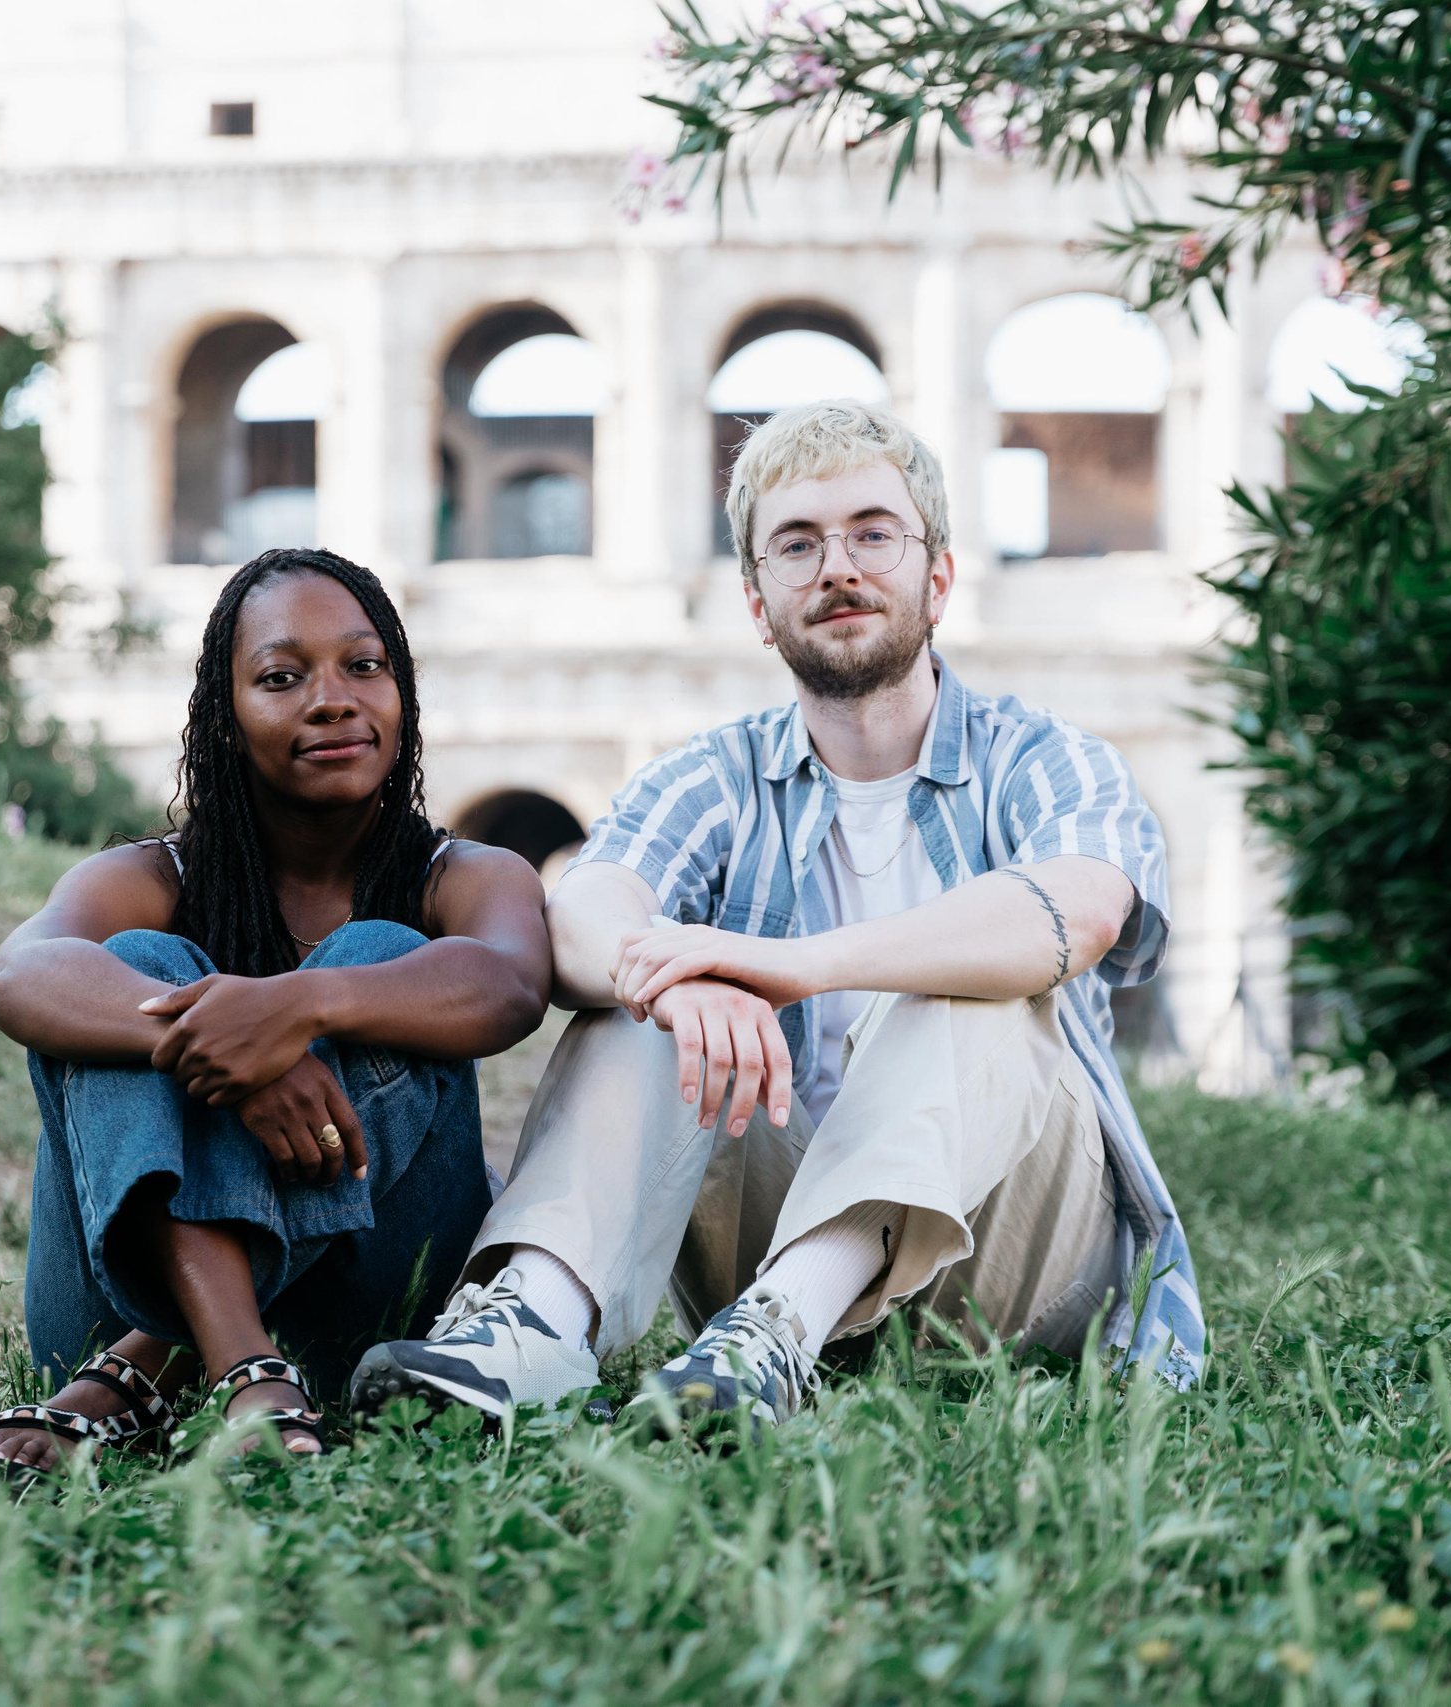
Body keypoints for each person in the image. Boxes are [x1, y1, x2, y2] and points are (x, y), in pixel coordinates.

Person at [351, 400, 1206, 1431]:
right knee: (648, 987)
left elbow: (1071, 912)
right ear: (758, 603)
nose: (837, 566)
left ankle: (778, 1339)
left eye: (872, 533)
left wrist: (789, 964)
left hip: (1017, 1264)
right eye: (796, 545)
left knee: (973, 974)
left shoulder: (1044, 755)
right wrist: (679, 972)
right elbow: (578, 912)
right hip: (753, 1253)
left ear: (936, 578)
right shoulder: (715, 773)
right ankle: (530, 1328)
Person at [0, 547, 552, 1471]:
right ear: (227, 718)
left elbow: (510, 987)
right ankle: (243, 1360)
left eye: (365, 666)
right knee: (133, 965)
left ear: (402, 694)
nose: (332, 699)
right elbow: (17, 975)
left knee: (382, 955)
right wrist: (244, 1058)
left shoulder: (467, 876)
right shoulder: (151, 876)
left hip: (366, 1306)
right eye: (283, 678)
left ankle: (155, 1364)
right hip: (115, 1288)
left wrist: (302, 1003)